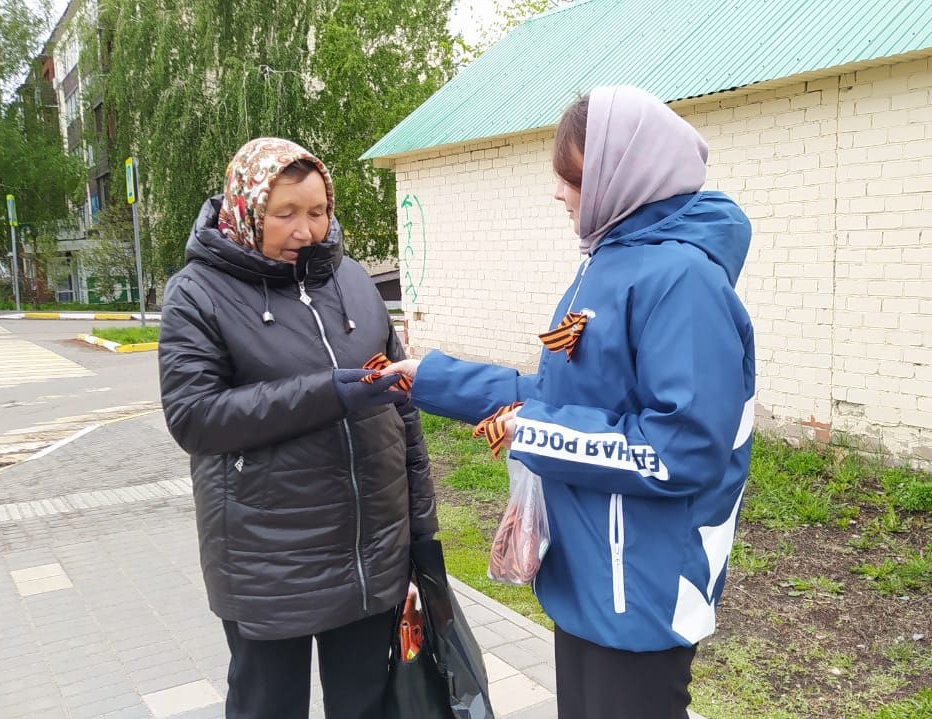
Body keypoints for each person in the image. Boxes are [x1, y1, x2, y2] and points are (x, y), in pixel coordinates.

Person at [383, 86, 756, 719]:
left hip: (641, 591)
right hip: (588, 574)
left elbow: (681, 448)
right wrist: (433, 378)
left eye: (571, 175)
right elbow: (558, 395)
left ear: (623, 174)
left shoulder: (682, 280)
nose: (559, 191)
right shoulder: (606, 262)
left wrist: (535, 433)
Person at [157, 137, 437, 719]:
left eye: (318, 212)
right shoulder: (198, 294)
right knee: (267, 706)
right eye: (284, 214)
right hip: (269, 563)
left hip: (369, 556)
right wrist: (327, 392)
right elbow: (195, 417)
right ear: (247, 208)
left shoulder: (354, 281)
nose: (305, 230)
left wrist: (422, 531)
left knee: (365, 705)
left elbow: (402, 412)